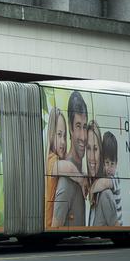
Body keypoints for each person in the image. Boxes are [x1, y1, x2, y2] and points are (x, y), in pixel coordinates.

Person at [50, 92, 89, 228]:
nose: (83, 136)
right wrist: (80, 178)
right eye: (78, 126)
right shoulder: (67, 179)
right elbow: (55, 227)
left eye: (85, 127)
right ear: (71, 129)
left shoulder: (81, 171)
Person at [89, 131, 122, 227]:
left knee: (106, 194)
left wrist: (91, 191)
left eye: (112, 164)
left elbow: (103, 184)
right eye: (107, 163)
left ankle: (117, 230)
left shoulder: (115, 177)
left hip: (116, 221)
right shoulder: (103, 173)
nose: (109, 168)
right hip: (105, 219)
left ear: (116, 163)